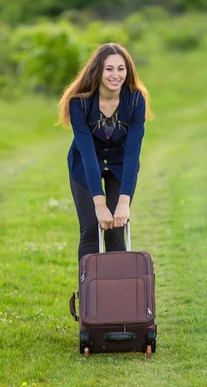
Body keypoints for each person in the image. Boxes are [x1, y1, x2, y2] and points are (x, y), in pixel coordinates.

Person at [58, 42, 152, 262]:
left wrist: (124, 202)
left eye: (121, 69)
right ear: (98, 70)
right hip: (85, 165)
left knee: (115, 232)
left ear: (128, 71)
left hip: (120, 165)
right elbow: (88, 154)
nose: (115, 75)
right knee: (90, 230)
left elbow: (132, 152)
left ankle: (117, 294)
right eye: (109, 69)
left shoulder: (136, 100)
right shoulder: (79, 103)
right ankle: (89, 293)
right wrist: (99, 204)